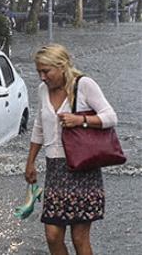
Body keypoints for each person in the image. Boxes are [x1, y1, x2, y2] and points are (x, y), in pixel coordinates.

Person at [24, 44, 117, 255]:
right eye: (38, 71)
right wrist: (30, 161)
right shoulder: (42, 90)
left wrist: (80, 120)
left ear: (62, 67)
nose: (41, 77)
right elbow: (39, 125)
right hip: (55, 169)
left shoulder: (84, 85)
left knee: (79, 238)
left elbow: (111, 117)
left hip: (81, 168)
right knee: (52, 236)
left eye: (46, 71)